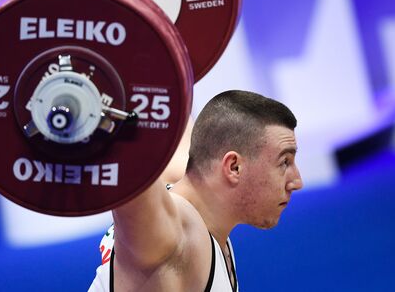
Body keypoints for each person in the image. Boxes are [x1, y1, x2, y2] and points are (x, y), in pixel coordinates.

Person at [88, 90, 303, 291]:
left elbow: (166, 93)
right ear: (234, 167)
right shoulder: (174, 235)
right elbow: (128, 169)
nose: (297, 181)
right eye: (284, 162)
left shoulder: (193, 176)